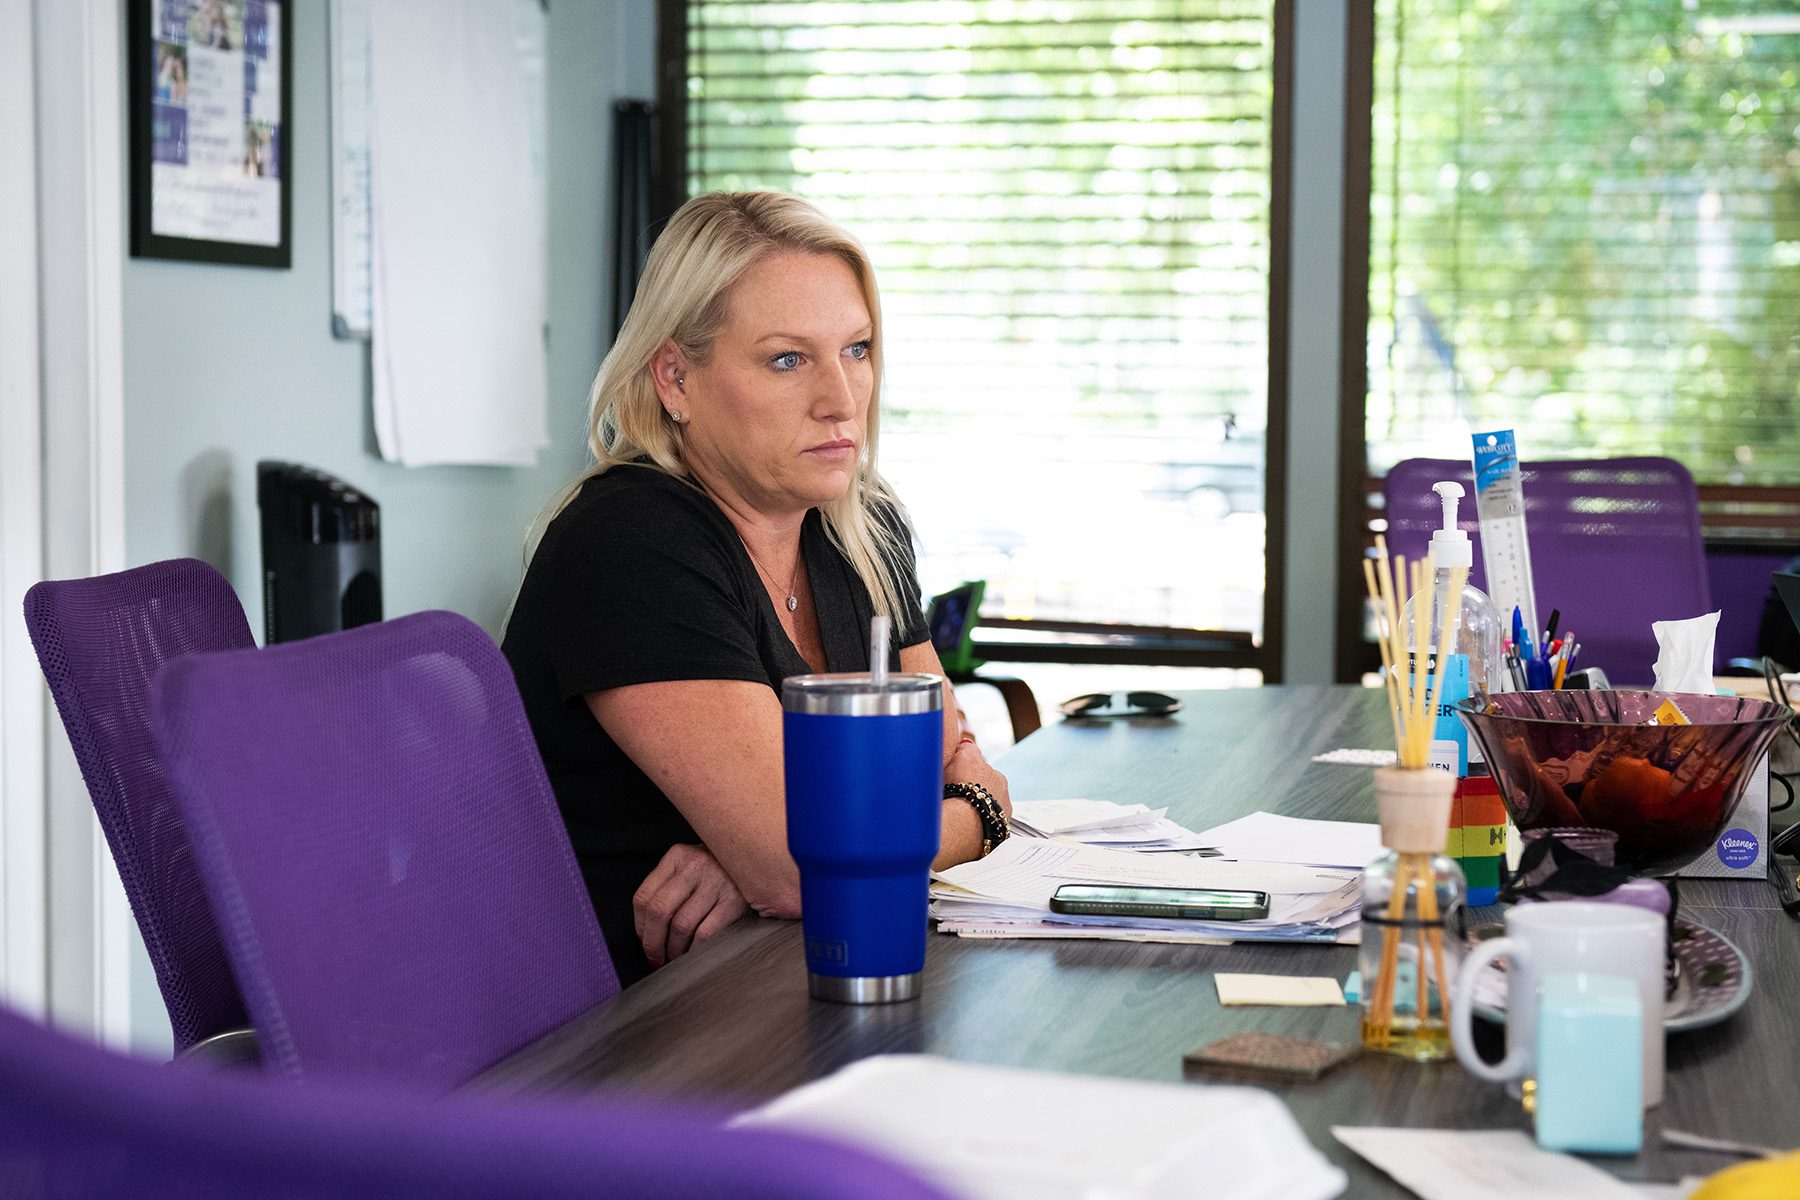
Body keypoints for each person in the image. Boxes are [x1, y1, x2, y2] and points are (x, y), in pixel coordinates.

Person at [503, 191, 1011, 987]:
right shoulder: (633, 543)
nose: (841, 399)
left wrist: (755, 854)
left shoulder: (860, 524)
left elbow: (938, 747)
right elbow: (802, 869)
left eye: (857, 349)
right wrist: (980, 811)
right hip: (629, 1033)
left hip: (791, 975)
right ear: (674, 377)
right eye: (787, 359)